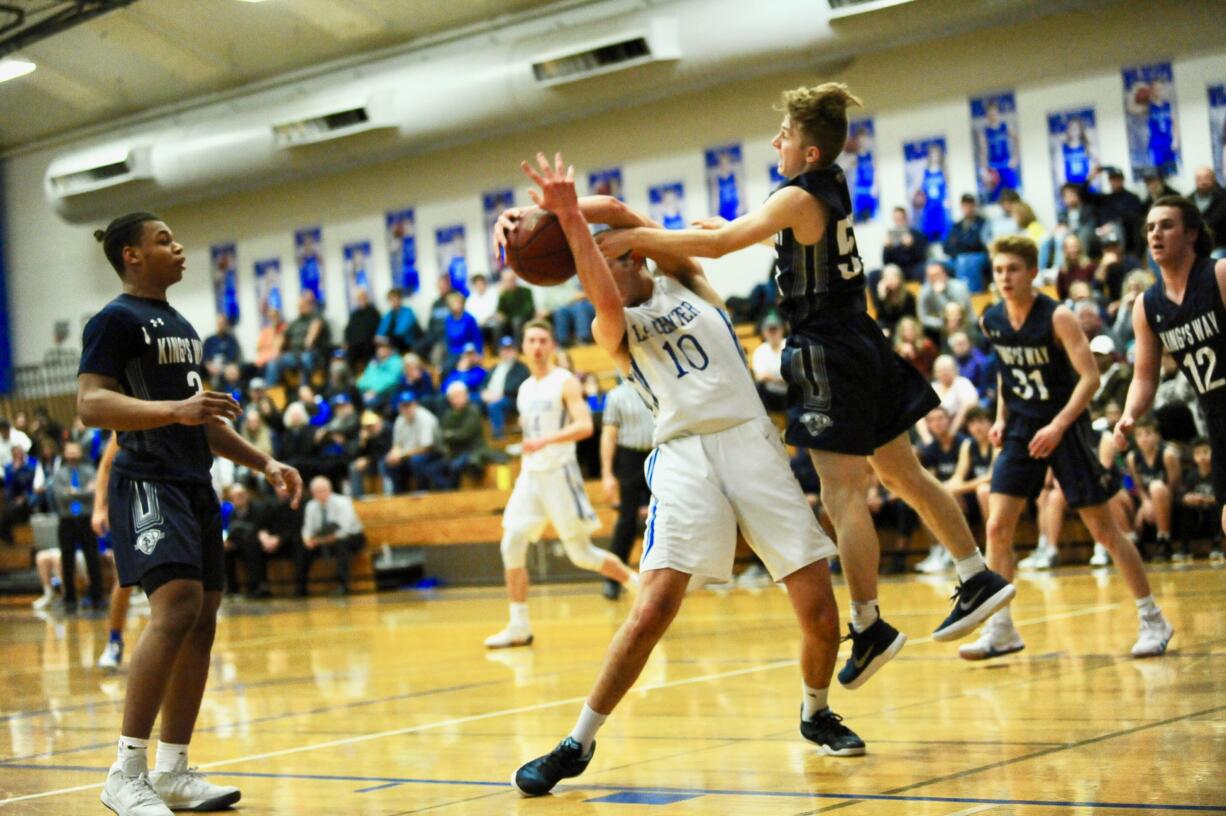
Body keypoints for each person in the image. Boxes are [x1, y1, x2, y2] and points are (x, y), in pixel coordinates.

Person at [605, 84, 1018, 684]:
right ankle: (975, 572)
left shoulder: (799, 194)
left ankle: (870, 624)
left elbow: (719, 247)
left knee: (842, 494)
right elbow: (767, 233)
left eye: (786, 137)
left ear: (810, 153)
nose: (777, 142)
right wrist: (725, 226)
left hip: (828, 349)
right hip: (862, 337)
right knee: (903, 473)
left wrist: (636, 239)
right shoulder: (827, 187)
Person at [500, 154, 864, 798]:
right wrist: (566, 226)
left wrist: (555, 210)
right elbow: (597, 272)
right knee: (654, 607)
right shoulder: (610, 324)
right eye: (615, 257)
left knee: (816, 602)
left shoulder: (687, 281)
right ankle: (577, 741)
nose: (632, 257)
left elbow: (619, 217)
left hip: (750, 439)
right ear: (594, 272)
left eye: (632, 252)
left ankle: (815, 710)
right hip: (685, 454)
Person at [79, 212, 302, 816]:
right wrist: (174, 410)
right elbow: (90, 403)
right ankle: (125, 772)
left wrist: (266, 463)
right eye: (163, 241)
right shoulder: (114, 320)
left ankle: (172, 769)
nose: (178, 248)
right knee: (175, 606)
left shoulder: (179, 325)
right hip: (147, 479)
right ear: (131, 255)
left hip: (194, 482)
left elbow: (204, 423)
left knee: (201, 618)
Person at [959, 235, 1171, 661]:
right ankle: (1002, 629)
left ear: (1033, 272)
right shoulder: (992, 319)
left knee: (1104, 529)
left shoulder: (1057, 317)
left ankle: (1153, 619)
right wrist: (1001, 418)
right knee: (997, 527)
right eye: (998, 270)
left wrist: (1057, 425)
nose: (1004, 277)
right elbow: (1006, 372)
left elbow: (1090, 379)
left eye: (1013, 269)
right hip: (1021, 429)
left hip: (1066, 428)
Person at [484, 320, 638, 647]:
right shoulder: (525, 388)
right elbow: (531, 434)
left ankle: (637, 585)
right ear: (523, 348)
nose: (537, 346)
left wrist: (545, 441)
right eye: (531, 340)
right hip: (531, 476)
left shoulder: (564, 382)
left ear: (551, 346)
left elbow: (584, 426)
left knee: (581, 555)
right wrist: (532, 447)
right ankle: (518, 626)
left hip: (560, 473)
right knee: (511, 543)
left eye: (542, 340)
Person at [1116, 196, 1226, 542]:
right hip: (1216, 418)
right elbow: (1144, 377)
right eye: (1150, 227)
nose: (1155, 234)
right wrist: (1129, 414)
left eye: (1166, 225)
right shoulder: (1148, 305)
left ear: (1191, 234)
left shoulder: (1219, 274)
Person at [598, 375, 655, 600]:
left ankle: (666, 581)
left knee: (667, 520)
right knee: (626, 522)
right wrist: (606, 473)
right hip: (630, 459)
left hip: (659, 455)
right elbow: (609, 435)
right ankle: (613, 580)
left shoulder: (657, 387)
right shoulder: (616, 396)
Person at [52, 440, 104, 613]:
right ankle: (70, 599)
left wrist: (74, 492)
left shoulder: (89, 471)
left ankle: (98, 596)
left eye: (76, 451)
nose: (73, 455)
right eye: (70, 452)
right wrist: (83, 492)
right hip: (67, 521)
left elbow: (94, 492)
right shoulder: (59, 474)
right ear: (65, 454)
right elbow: (60, 496)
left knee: (92, 559)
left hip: (86, 520)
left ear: (80, 453)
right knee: (67, 561)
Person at [297, 476, 364, 596]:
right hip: (323, 538)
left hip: (352, 537)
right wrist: (307, 540)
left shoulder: (343, 502)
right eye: (318, 491)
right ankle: (301, 588)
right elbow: (307, 528)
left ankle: (343, 585)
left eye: (324, 490)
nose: (322, 494)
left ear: (330, 489)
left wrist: (320, 540)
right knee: (302, 547)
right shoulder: (311, 506)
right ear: (312, 493)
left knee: (342, 545)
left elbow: (344, 530)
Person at [1126, 416, 1182, 561]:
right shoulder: (1132, 458)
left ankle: (1164, 540)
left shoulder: (1168, 455)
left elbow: (1174, 486)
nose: (1144, 438)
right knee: (1117, 497)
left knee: (1156, 487)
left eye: (1148, 433)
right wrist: (1145, 503)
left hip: (1169, 497)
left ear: (1157, 435)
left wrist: (1154, 502)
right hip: (1148, 499)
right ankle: (1134, 544)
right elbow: (1137, 485)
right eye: (1139, 435)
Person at [386, 392, 441, 493]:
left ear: (415, 404)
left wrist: (402, 454)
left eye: (409, 405)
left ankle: (423, 491)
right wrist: (393, 454)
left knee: (416, 461)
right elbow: (397, 445)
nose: (406, 409)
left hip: (433, 453)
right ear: (399, 407)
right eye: (403, 406)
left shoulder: (425, 418)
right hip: (408, 454)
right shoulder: (399, 420)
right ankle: (399, 493)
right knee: (390, 462)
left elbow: (426, 447)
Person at [1179, 438, 1223, 559]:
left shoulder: (1219, 473)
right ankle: (1184, 548)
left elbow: (1222, 497)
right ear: (1193, 457)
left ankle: (1217, 545)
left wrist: (1207, 499)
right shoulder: (1190, 475)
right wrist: (1188, 498)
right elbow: (1183, 495)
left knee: (1216, 508)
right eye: (1198, 453)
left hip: (1213, 511)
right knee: (1185, 509)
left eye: (1205, 452)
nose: (1202, 456)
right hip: (1197, 513)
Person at [480, 336, 530, 439]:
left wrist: (501, 393)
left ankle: (498, 436)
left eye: (510, 349)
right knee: (470, 399)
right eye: (504, 349)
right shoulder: (495, 367)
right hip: (490, 396)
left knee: (494, 406)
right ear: (500, 351)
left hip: (511, 398)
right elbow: (484, 383)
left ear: (516, 350)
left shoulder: (521, 368)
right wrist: (484, 392)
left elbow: (520, 385)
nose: (507, 352)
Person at [945, 194, 990, 293]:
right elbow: (947, 246)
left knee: (965, 261)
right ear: (961, 207)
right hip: (958, 256)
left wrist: (960, 244)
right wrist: (959, 250)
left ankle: (973, 295)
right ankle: (958, 295)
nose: (968, 208)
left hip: (978, 255)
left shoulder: (982, 223)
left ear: (974, 206)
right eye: (965, 206)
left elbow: (977, 243)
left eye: (970, 205)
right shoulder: (956, 226)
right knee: (936, 264)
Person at [750, 313, 789, 411]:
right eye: (769, 330)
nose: (772, 333)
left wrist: (772, 378)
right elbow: (761, 377)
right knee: (757, 387)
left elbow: (795, 377)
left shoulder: (790, 345)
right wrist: (781, 379)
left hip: (792, 392)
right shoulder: (760, 351)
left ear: (782, 330)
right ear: (764, 332)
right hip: (771, 395)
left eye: (775, 329)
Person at [882, 207, 928, 281]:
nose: (898, 221)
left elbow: (922, 258)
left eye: (900, 218)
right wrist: (887, 248)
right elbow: (885, 262)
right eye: (896, 219)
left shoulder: (916, 234)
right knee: (874, 274)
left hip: (913, 268)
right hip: (896, 270)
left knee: (922, 269)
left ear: (906, 218)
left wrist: (910, 246)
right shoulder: (890, 236)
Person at [343, 287, 382, 369]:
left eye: (363, 297)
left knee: (368, 348)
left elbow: (378, 328)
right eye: (359, 298)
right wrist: (346, 341)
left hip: (369, 342)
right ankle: (352, 377)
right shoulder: (354, 314)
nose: (362, 299)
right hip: (354, 344)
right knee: (349, 352)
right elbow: (348, 330)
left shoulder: (373, 312)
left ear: (366, 297)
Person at [1192, 165, 1226, 257]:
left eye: (1206, 177)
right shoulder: (1189, 200)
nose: (1203, 182)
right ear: (1195, 181)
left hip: (1219, 245)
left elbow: (1216, 220)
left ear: (1213, 179)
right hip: (1195, 246)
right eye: (1200, 178)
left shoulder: (1223, 197)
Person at [374, 287, 422, 353]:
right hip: (392, 342)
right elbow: (380, 332)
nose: (393, 301)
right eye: (391, 299)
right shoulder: (388, 315)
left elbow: (401, 331)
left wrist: (387, 339)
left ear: (400, 299)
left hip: (407, 343)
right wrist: (381, 338)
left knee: (395, 340)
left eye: (395, 298)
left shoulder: (408, 312)